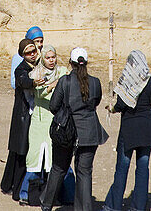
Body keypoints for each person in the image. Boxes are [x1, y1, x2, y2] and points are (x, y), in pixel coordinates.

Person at [41, 47, 107, 211]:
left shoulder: (65, 81)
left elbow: (53, 106)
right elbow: (96, 102)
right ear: (86, 63)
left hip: (67, 132)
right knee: (84, 172)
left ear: (70, 63)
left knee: (58, 168)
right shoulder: (95, 82)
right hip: (90, 132)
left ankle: (46, 204)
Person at [103, 50, 151, 211]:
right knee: (143, 168)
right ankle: (138, 206)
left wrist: (112, 108)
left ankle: (113, 205)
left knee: (122, 168)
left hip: (129, 128)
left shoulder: (126, 79)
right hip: (147, 127)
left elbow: (121, 105)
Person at [20, 44, 74, 206]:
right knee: (35, 157)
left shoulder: (63, 72)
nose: (51, 61)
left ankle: (68, 195)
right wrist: (53, 85)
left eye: (53, 57)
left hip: (58, 121)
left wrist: (57, 83)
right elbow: (40, 93)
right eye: (48, 58)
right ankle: (27, 193)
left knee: (57, 159)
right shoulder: (36, 73)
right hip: (40, 120)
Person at [2, 38, 42, 201]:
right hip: (23, 117)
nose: (32, 54)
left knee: (20, 152)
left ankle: (8, 185)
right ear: (22, 55)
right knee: (21, 152)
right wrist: (34, 82)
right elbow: (24, 81)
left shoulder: (39, 65)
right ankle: (16, 189)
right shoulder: (21, 68)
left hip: (32, 116)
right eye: (28, 52)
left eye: (34, 51)